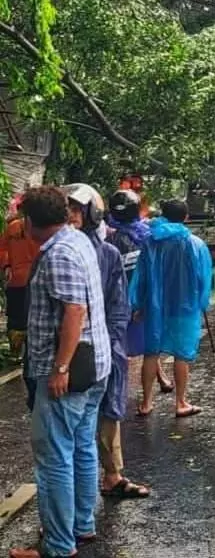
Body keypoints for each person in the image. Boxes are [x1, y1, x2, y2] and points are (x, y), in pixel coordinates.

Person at [11, 187, 111, 558]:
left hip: (70, 373)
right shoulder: (77, 240)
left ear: (30, 221)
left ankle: (58, 544)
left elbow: (74, 311)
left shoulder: (59, 254)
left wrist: (60, 368)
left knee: (54, 458)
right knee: (81, 446)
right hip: (93, 366)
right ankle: (80, 525)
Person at [63, 184, 151, 502]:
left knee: (108, 412)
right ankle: (70, 497)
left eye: (76, 209)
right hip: (68, 352)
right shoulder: (58, 251)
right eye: (67, 209)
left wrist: (108, 342)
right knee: (70, 424)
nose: (70, 216)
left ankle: (111, 475)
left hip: (102, 348)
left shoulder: (107, 251)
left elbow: (118, 305)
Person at [129, 199, 213, 418]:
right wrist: (203, 301)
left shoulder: (151, 242)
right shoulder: (195, 244)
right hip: (185, 305)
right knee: (181, 354)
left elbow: (141, 276)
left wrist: (138, 303)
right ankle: (181, 402)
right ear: (186, 217)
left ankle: (146, 402)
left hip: (154, 304)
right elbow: (204, 277)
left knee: (151, 352)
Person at [106, 189, 172, 395]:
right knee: (148, 341)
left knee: (122, 344)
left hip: (121, 299)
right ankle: (153, 382)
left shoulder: (110, 239)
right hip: (142, 297)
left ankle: (121, 388)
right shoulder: (147, 235)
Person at [1, 194, 38, 363]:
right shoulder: (41, 229)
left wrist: (6, 266)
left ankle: (15, 353)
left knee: (16, 318)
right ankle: (29, 353)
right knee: (32, 316)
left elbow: (2, 250)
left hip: (16, 280)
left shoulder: (12, 227)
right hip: (34, 281)